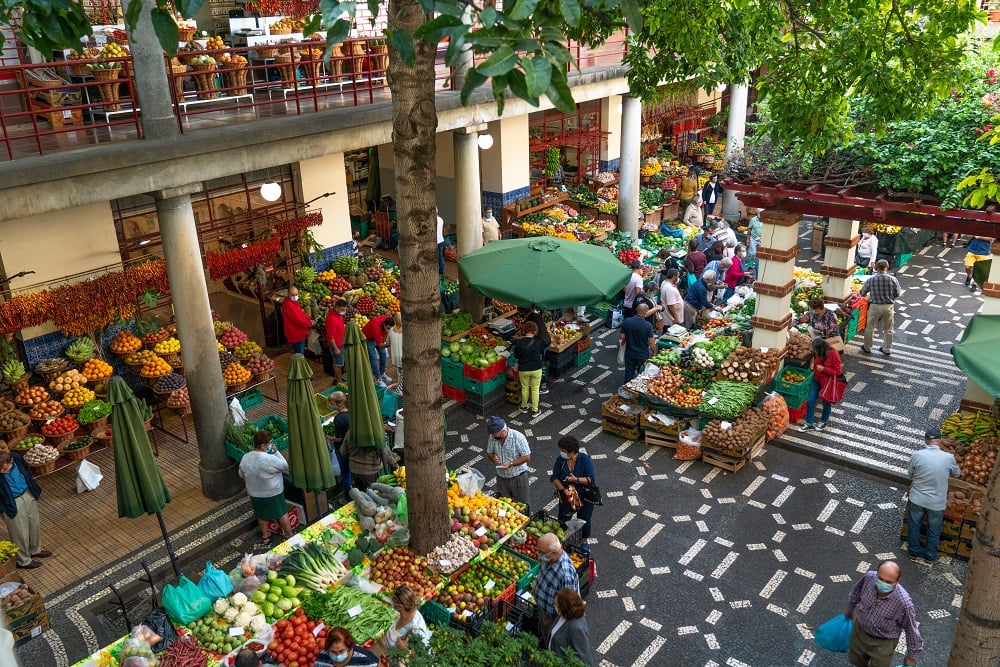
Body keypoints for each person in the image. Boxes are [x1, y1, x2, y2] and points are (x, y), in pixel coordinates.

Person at [845, 561, 923, 667]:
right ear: (877, 574)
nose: (883, 584)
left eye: (888, 582)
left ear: (897, 581)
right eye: (880, 579)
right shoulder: (869, 578)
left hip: (883, 643)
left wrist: (911, 657)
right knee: (856, 660)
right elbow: (856, 592)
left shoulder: (904, 603)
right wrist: (849, 609)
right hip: (860, 632)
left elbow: (911, 629)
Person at [907, 431, 961, 563]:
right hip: (937, 502)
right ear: (940, 441)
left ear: (925, 441)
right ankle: (930, 555)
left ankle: (913, 552)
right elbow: (957, 474)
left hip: (917, 498)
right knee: (934, 529)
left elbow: (910, 475)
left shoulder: (917, 455)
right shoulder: (948, 458)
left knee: (914, 525)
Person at [238, 430, 292, 543]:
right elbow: (284, 466)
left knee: (261, 515)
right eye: (269, 444)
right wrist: (277, 452)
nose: (270, 446)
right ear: (263, 446)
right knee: (281, 513)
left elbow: (241, 474)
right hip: (273, 492)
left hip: (254, 493)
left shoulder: (245, 457)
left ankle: (265, 536)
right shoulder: (270, 459)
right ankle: (289, 535)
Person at [0, 449, 50, 569]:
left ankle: (35, 550)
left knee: (34, 524)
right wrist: (2, 508)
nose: (1, 471)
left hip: (27, 494)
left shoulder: (16, 457)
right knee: (19, 533)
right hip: (12, 503)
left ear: (11, 461)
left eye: (4, 469)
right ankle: (23, 561)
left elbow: (26, 469)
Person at [551, 435, 597, 549]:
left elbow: (590, 479)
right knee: (563, 517)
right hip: (567, 496)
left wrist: (575, 479)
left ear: (572, 452)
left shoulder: (584, 459)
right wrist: (563, 490)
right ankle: (562, 540)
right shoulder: (560, 460)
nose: (561, 453)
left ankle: (584, 541)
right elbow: (554, 478)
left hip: (585, 496)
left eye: (564, 451)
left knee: (585, 518)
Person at [533, 533, 580, 645]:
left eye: (542, 553)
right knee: (544, 634)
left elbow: (567, 606)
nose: (539, 555)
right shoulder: (549, 559)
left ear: (553, 553)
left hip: (553, 618)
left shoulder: (565, 574)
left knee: (553, 641)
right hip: (543, 611)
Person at [485, 416, 531, 511]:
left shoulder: (518, 437)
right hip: (502, 479)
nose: (493, 436)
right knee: (504, 507)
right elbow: (489, 453)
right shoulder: (492, 437)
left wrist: (511, 463)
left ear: (503, 430)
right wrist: (493, 457)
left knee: (522, 507)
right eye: (492, 434)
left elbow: (527, 457)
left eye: (495, 433)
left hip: (518, 478)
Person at [376, 584, 432, 658]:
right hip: (390, 656)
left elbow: (424, 655)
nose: (392, 605)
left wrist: (405, 649)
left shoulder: (417, 628)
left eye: (393, 603)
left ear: (400, 607)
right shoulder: (402, 613)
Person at [799, 337, 842, 432]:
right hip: (816, 379)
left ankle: (823, 421)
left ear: (820, 349)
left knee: (826, 402)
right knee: (810, 400)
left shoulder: (833, 354)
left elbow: (838, 372)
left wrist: (824, 369)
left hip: (827, 383)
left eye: (815, 350)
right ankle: (809, 423)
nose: (814, 351)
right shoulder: (819, 354)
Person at [860, 259, 902, 355]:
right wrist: (891, 298)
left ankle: (867, 347)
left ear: (876, 268)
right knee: (888, 329)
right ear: (887, 267)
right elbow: (898, 293)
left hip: (874, 306)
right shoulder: (893, 279)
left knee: (870, 327)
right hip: (888, 306)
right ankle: (887, 348)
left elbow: (863, 293)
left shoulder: (871, 279)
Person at [549, 588, 594, 666]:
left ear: (565, 608)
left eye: (557, 605)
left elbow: (584, 657)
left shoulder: (576, 628)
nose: (555, 606)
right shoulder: (562, 615)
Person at [512, 321, 547, 416]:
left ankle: (524, 407)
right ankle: (535, 411)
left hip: (523, 369)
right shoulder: (540, 342)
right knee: (535, 389)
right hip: (536, 369)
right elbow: (542, 354)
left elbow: (516, 356)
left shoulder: (519, 343)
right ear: (535, 330)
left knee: (525, 388)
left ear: (524, 330)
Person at [340, 423, 382, 493]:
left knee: (361, 494)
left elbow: (343, 452)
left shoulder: (350, 432)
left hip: (355, 471)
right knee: (372, 495)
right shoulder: (374, 433)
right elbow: (386, 454)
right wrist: (396, 466)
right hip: (369, 472)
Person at [620, 303, 656, 383]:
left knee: (629, 373)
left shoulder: (627, 321)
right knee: (642, 374)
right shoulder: (648, 325)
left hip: (629, 353)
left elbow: (622, 336)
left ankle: (627, 390)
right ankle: (637, 391)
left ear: (636, 310)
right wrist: (654, 352)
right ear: (645, 313)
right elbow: (651, 342)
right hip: (642, 354)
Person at [327, 391, 352, 496]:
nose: (331, 405)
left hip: (343, 449)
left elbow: (338, 438)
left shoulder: (338, 419)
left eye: (332, 403)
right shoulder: (352, 412)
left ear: (338, 403)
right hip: (353, 447)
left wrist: (327, 437)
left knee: (346, 473)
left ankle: (348, 497)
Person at [361, 314, 395, 386]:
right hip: (368, 338)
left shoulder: (389, 319)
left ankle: (382, 374)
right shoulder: (376, 328)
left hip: (378, 336)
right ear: (384, 325)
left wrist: (385, 339)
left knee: (383, 354)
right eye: (388, 328)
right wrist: (391, 344)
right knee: (373, 358)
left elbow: (386, 333)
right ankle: (378, 378)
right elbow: (381, 346)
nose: (389, 330)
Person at [525, 306, 552, 395]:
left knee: (539, 365)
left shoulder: (529, 320)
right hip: (545, 341)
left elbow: (531, 334)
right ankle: (542, 385)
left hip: (540, 344)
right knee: (542, 362)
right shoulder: (536, 315)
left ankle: (542, 387)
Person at [281, 286, 313, 355]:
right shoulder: (289, 305)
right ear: (288, 294)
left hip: (298, 332)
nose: (295, 297)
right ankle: (299, 365)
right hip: (296, 333)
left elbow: (300, 314)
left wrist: (307, 319)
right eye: (293, 295)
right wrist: (310, 323)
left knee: (298, 352)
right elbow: (298, 319)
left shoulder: (293, 301)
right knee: (299, 354)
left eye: (296, 295)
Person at [324, 298, 348, 386]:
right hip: (337, 345)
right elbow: (330, 336)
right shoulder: (331, 318)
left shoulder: (338, 314)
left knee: (336, 362)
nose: (344, 311)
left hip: (340, 343)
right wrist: (336, 349)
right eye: (342, 310)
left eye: (345, 309)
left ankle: (336, 378)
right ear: (337, 307)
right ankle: (339, 382)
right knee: (339, 364)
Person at [387, 314, 403, 391]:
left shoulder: (391, 330)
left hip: (395, 357)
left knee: (399, 373)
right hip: (404, 357)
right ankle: (400, 389)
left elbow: (388, 342)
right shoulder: (407, 331)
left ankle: (399, 384)